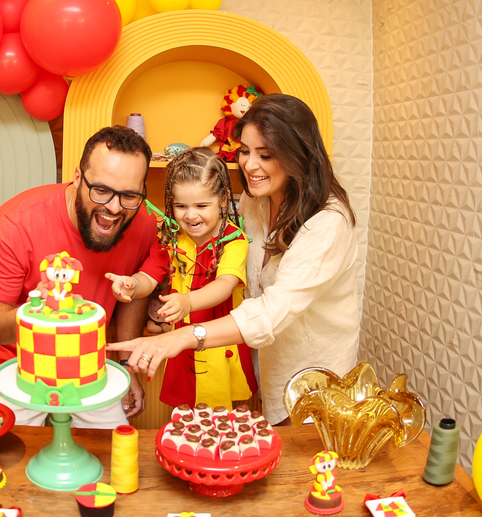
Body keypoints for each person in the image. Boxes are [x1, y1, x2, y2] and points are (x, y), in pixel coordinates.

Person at [108, 93, 360, 424]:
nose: (249, 165)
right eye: (244, 151)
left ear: (297, 154)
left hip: (315, 376)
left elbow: (271, 311)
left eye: (265, 155)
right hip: (267, 363)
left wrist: (184, 335)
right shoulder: (256, 201)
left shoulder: (328, 223)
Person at [0, 125, 167, 427]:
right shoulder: (14, 223)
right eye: (101, 190)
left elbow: (133, 291)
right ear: (77, 177)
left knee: (112, 450)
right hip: (14, 369)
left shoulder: (143, 225)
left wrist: (126, 363)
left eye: (129, 195)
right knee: (6, 456)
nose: (114, 208)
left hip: (90, 366)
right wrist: (45, 316)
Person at [107, 147, 258, 409]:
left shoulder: (234, 241)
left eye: (201, 205)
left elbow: (225, 285)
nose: (190, 215)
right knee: (184, 416)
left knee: (223, 418)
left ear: (223, 199)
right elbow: (150, 275)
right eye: (181, 206)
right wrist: (132, 285)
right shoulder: (171, 237)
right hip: (182, 349)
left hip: (222, 345)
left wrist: (188, 301)